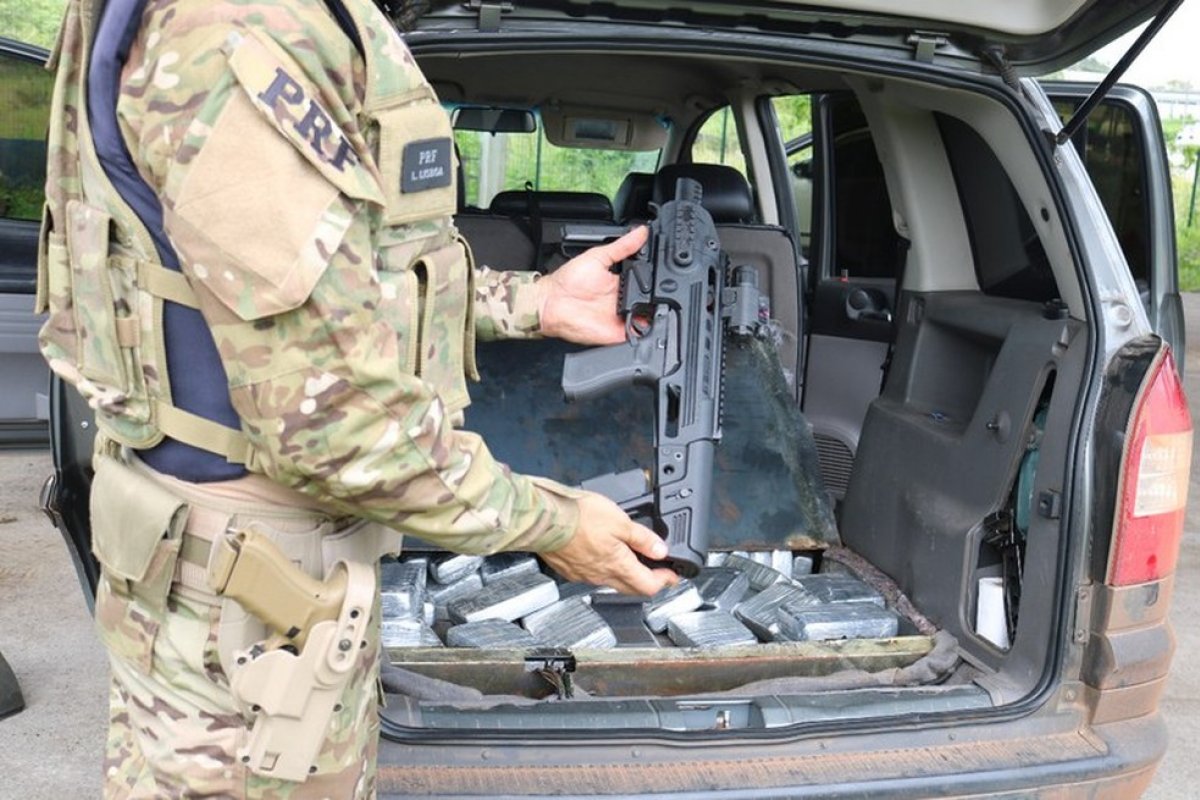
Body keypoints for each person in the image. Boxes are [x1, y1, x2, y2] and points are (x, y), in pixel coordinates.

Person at [38, 0, 677, 795]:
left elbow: (331, 289)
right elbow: (331, 422)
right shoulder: (250, 26)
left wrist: (533, 302)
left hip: (241, 590)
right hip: (253, 613)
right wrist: (554, 523)